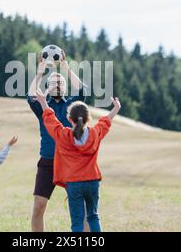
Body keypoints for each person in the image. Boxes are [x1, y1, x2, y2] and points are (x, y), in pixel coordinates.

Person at [36, 90, 121, 232]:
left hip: (74, 183)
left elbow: (51, 120)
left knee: (77, 221)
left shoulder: (63, 135)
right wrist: (116, 108)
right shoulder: (95, 133)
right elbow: (105, 121)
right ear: (88, 119)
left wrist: (44, 102)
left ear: (69, 119)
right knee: (93, 217)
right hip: (93, 181)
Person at [27, 51, 87, 232]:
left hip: (70, 163)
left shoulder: (73, 105)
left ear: (65, 86)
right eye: (53, 82)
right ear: (47, 87)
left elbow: (83, 89)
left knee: (80, 209)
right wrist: (39, 72)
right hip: (47, 162)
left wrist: (66, 67)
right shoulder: (43, 107)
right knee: (39, 206)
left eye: (60, 82)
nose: (57, 84)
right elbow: (30, 95)